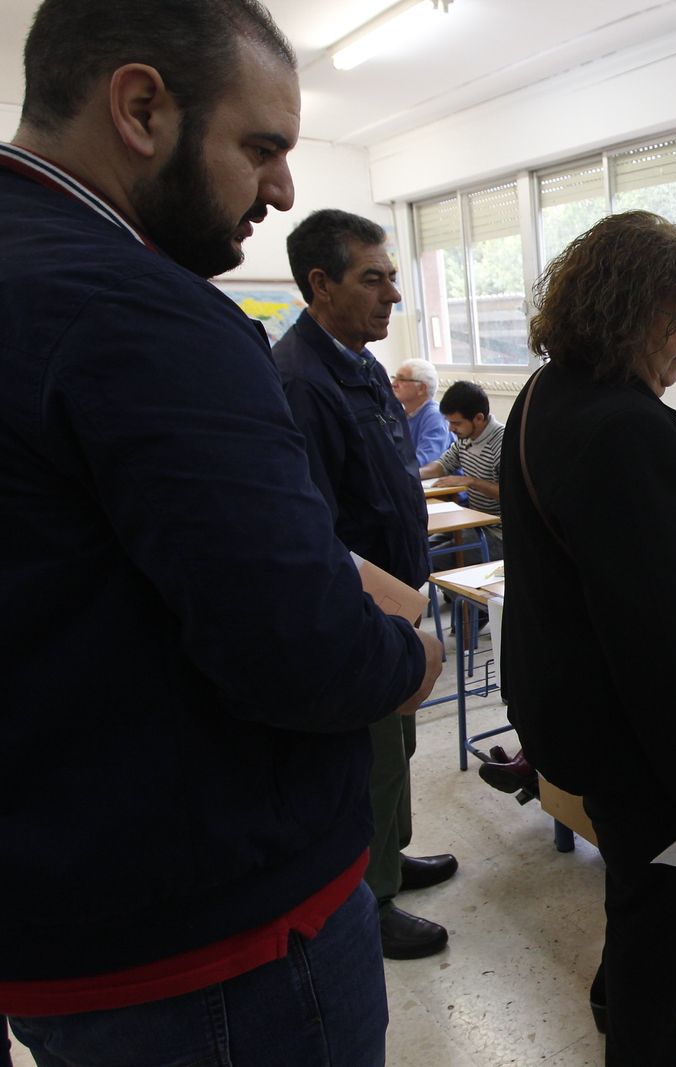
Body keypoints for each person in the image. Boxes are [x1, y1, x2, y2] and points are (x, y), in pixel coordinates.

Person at [0, 2, 444, 1063]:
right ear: (142, 106)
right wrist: (412, 650)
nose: (281, 190)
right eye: (261, 148)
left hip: (64, 911)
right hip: (219, 949)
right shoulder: (142, 309)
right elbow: (302, 650)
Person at [500, 210, 676, 1067]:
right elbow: (656, 637)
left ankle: (619, 989)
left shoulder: (550, 392)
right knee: (659, 896)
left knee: (634, 879)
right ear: (632, 311)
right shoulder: (622, 430)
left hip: (579, 709)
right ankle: (643, 1043)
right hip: (641, 741)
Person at [273, 208, 460, 961]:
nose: (391, 296)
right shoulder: (301, 379)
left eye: (393, 279)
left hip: (398, 594)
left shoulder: (360, 364)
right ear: (320, 284)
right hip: (361, 606)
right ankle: (370, 897)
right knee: (373, 754)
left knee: (399, 744)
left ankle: (392, 856)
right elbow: (313, 521)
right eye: (372, 279)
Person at [420, 379, 504, 558]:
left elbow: (512, 495)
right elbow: (441, 466)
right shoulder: (466, 436)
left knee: (430, 559)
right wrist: (408, 475)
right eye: (449, 422)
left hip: (499, 533)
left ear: (479, 418)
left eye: (456, 423)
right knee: (418, 549)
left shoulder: (502, 443)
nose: (451, 428)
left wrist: (471, 481)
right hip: (474, 523)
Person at [393, 357, 453, 467]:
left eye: (401, 379)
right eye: (394, 378)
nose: (394, 384)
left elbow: (427, 458)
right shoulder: (400, 415)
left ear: (421, 388)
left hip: (440, 481)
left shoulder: (435, 416)